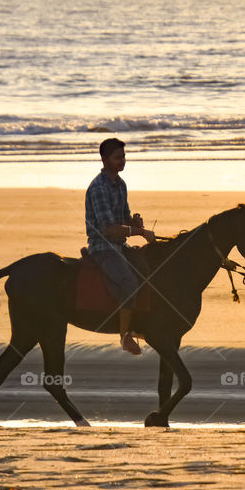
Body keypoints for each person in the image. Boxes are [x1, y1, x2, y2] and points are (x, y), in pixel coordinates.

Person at [85, 137, 156, 355]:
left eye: (123, 156)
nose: (122, 161)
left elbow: (123, 218)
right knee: (128, 282)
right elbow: (108, 229)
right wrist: (140, 232)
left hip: (119, 245)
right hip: (102, 248)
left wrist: (134, 222)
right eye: (117, 157)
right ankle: (124, 335)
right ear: (104, 159)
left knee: (147, 268)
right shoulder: (98, 188)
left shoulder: (120, 184)